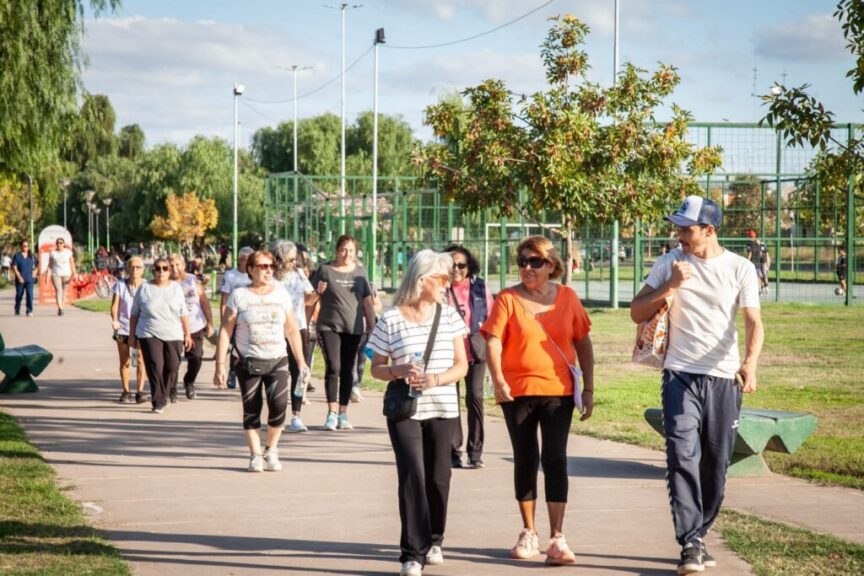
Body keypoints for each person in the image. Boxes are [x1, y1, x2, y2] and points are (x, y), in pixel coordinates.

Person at [630, 196, 764, 575]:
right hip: (680, 374)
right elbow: (636, 311)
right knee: (682, 454)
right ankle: (690, 540)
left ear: (709, 230)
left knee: (716, 464)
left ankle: (700, 534)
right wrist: (670, 285)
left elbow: (753, 321)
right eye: (678, 228)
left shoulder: (740, 268)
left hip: (724, 378)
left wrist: (750, 363)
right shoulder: (670, 263)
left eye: (686, 229)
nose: (680, 235)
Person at [482, 235, 594, 566]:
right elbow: (493, 341)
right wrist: (498, 380)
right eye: (523, 261)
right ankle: (529, 531)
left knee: (555, 458)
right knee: (526, 457)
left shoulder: (567, 297)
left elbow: (583, 342)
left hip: (558, 392)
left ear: (551, 265)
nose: (528, 268)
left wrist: (589, 389)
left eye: (536, 261)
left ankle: (557, 537)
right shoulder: (507, 298)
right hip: (516, 392)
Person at [368, 249, 469, 576]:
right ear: (422, 279)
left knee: (438, 478)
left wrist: (436, 379)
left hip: (443, 407)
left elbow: (462, 365)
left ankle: (435, 538)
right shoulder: (391, 319)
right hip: (405, 410)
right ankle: (412, 553)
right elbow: (376, 368)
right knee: (412, 475)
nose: (447, 283)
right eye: (442, 278)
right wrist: (397, 370)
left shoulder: (449, 316)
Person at [213, 250, 310, 473]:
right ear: (251, 269)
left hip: (277, 358)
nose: (268, 270)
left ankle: (271, 450)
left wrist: (301, 362)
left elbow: (292, 330)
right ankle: (255, 455)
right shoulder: (239, 295)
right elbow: (226, 330)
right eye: (263, 266)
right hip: (247, 360)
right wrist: (220, 364)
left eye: (271, 266)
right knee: (251, 408)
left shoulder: (281, 294)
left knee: (279, 406)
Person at [309, 235, 376, 431]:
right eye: (343, 250)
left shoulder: (360, 272)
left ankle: (343, 413)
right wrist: (317, 293)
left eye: (351, 251)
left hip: (353, 328)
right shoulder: (325, 270)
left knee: (348, 369)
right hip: (329, 326)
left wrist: (372, 327)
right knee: (334, 366)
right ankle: (331, 413)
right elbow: (311, 298)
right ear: (337, 251)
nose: (347, 254)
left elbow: (368, 302)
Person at [444, 244, 495, 469]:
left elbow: (492, 318)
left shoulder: (480, 287)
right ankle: (453, 451)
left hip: (475, 351)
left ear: (469, 266)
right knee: (451, 401)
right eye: (452, 265)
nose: (456, 269)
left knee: (475, 397)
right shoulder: (439, 287)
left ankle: (475, 452)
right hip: (449, 353)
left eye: (461, 265)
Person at [128, 258, 194, 413]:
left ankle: (164, 394)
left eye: (165, 268)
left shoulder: (176, 289)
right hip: (149, 332)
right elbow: (134, 314)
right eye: (157, 268)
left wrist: (188, 334)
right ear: (153, 271)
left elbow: (183, 313)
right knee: (155, 365)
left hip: (173, 333)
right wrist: (132, 335)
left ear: (169, 271)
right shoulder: (145, 288)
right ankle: (158, 401)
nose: (161, 271)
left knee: (172, 366)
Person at [271, 240, 315, 433]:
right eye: (290, 259)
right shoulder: (270, 277)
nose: (294, 262)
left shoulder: (298, 274)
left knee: (299, 371)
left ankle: (296, 415)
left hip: (298, 328)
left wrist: (319, 293)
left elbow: (309, 299)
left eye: (294, 259)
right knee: (277, 373)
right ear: (279, 259)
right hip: (276, 329)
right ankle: (276, 414)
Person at [169, 254, 214, 401]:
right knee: (172, 361)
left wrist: (210, 323)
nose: (174, 268)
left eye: (177, 264)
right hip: (173, 328)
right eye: (171, 265)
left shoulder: (191, 280)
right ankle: (172, 388)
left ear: (183, 265)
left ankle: (189, 382)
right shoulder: (165, 282)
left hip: (195, 325)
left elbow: (204, 302)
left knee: (196, 357)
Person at [110, 256, 148, 404]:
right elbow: (115, 305)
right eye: (131, 267)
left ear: (143, 269)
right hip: (123, 328)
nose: (134, 270)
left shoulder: (146, 285)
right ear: (127, 269)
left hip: (141, 328)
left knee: (140, 360)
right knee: (124, 361)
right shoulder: (120, 284)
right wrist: (114, 320)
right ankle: (126, 391)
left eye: (138, 267)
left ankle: (140, 391)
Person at [220, 246, 254, 389]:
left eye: (249, 259)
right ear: (239, 260)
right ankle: (233, 371)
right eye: (244, 259)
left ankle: (249, 370)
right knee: (236, 346)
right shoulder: (231, 275)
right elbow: (224, 299)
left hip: (251, 318)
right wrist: (224, 320)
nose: (246, 262)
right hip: (234, 317)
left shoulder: (255, 275)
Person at [46, 237, 77, 316]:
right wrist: (47, 276)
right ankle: (59, 307)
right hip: (56, 274)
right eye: (57, 243)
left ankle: (62, 307)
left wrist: (74, 273)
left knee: (64, 291)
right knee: (58, 290)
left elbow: (72, 263)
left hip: (66, 274)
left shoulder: (68, 252)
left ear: (63, 244)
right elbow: (50, 265)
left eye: (60, 243)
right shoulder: (53, 253)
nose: (59, 244)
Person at [12, 240, 37, 317]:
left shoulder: (32, 256)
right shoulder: (17, 256)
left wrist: (35, 273)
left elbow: (37, 265)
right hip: (20, 279)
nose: (26, 247)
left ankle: (29, 310)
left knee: (30, 294)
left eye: (27, 246)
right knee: (19, 295)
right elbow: (14, 267)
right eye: (24, 246)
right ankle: (17, 309)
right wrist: (19, 277)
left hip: (29, 279)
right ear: (21, 246)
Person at [745, 230, 770, 294]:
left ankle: (761, 288)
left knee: (759, 275)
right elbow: (767, 254)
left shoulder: (751, 244)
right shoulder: (762, 244)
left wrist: (747, 262)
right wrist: (768, 263)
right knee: (763, 274)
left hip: (757, 261)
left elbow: (750, 254)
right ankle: (765, 287)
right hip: (762, 260)